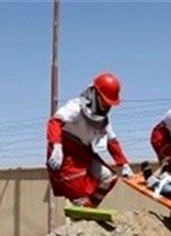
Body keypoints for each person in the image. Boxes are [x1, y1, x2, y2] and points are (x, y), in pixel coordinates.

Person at [46, 72, 133, 207]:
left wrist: (123, 164)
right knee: (78, 192)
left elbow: (112, 141)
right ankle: (80, 208)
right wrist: (56, 146)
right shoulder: (75, 107)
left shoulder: (103, 120)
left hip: (84, 153)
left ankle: (90, 207)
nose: (107, 106)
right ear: (95, 95)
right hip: (65, 154)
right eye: (105, 101)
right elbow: (55, 122)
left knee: (109, 178)